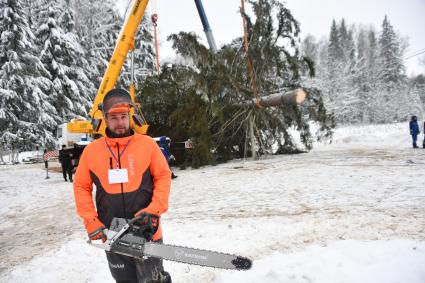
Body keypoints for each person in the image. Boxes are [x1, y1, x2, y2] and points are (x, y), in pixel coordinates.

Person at [73, 88, 172, 283]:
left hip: (147, 230)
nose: (120, 122)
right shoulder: (92, 151)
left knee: (154, 280)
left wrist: (154, 210)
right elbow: (81, 186)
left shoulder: (147, 145)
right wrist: (91, 221)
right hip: (112, 233)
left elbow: (163, 176)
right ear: (105, 119)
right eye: (114, 117)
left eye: (124, 116)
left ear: (130, 116)